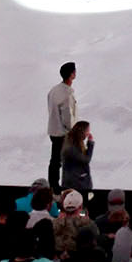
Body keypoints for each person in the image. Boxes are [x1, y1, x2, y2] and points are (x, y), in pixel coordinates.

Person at [46, 61, 79, 190]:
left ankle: (53, 184)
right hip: (63, 133)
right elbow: (68, 119)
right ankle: (62, 185)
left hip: (53, 130)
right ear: (71, 74)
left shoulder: (54, 90)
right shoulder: (66, 95)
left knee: (55, 160)